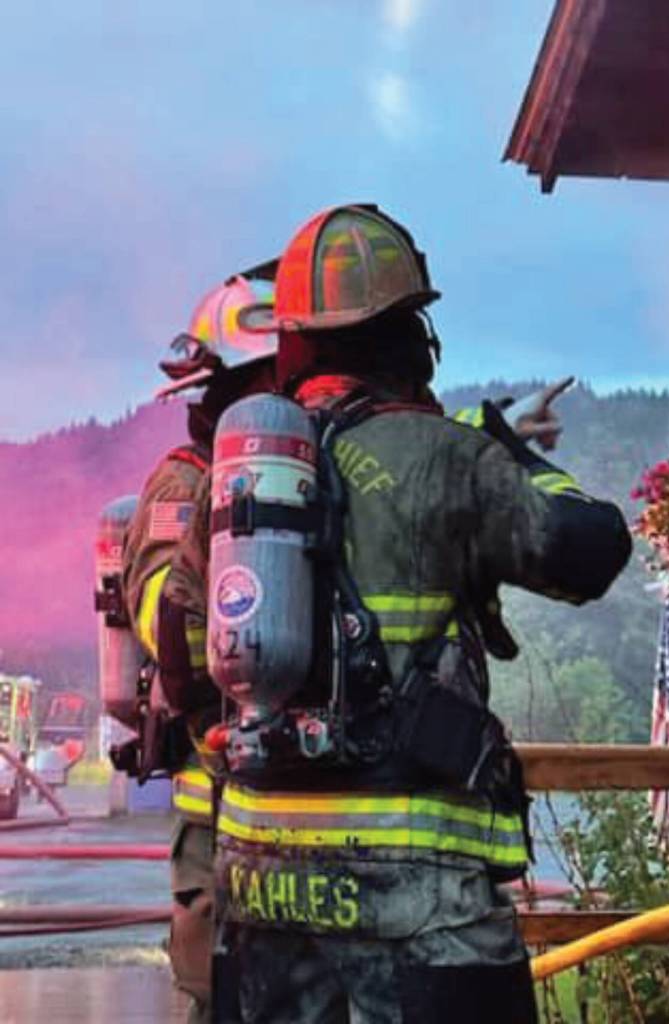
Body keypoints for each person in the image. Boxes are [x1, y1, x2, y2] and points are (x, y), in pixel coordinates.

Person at [162, 204, 632, 1024]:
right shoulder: (450, 458)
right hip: (422, 905)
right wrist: (515, 452)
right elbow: (587, 551)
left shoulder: (231, 480)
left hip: (263, 890)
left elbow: (179, 656)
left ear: (296, 342)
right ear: (411, 335)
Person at [121, 272, 277, 1024]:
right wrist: (218, 534)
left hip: (301, 796)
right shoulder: (185, 486)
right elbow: (159, 616)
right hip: (211, 791)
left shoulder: (309, 468)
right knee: (223, 991)